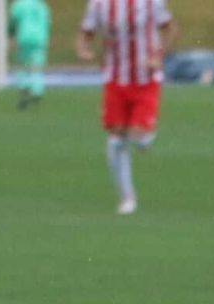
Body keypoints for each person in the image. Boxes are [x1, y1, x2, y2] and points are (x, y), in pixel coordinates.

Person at [76, 0, 176, 216]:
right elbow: (86, 32)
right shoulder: (99, 4)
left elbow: (169, 28)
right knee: (116, 140)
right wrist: (83, 50)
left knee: (138, 137)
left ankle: (144, 138)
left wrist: (158, 55)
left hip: (145, 79)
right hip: (115, 79)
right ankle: (127, 197)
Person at [7, 0, 51, 109]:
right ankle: (37, 89)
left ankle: (24, 87)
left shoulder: (19, 4)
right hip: (40, 39)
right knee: (37, 67)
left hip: (24, 37)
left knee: (23, 66)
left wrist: (10, 34)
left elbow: (13, 21)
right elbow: (47, 22)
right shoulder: (42, 5)